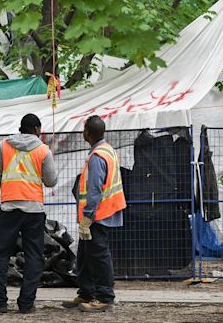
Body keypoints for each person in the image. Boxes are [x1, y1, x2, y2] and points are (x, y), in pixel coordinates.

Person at [0, 113, 57, 314]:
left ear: (21, 128)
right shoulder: (43, 150)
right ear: (37, 129)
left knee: (0, 254)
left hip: (9, 208)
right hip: (33, 211)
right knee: (33, 256)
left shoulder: (4, 146)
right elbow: (51, 181)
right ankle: (26, 303)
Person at [62, 115, 126, 312]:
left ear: (87, 132)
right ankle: (87, 293)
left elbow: (95, 189)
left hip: (97, 215)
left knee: (98, 256)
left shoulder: (98, 156)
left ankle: (105, 297)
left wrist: (88, 217)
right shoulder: (107, 151)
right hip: (101, 213)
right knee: (86, 255)